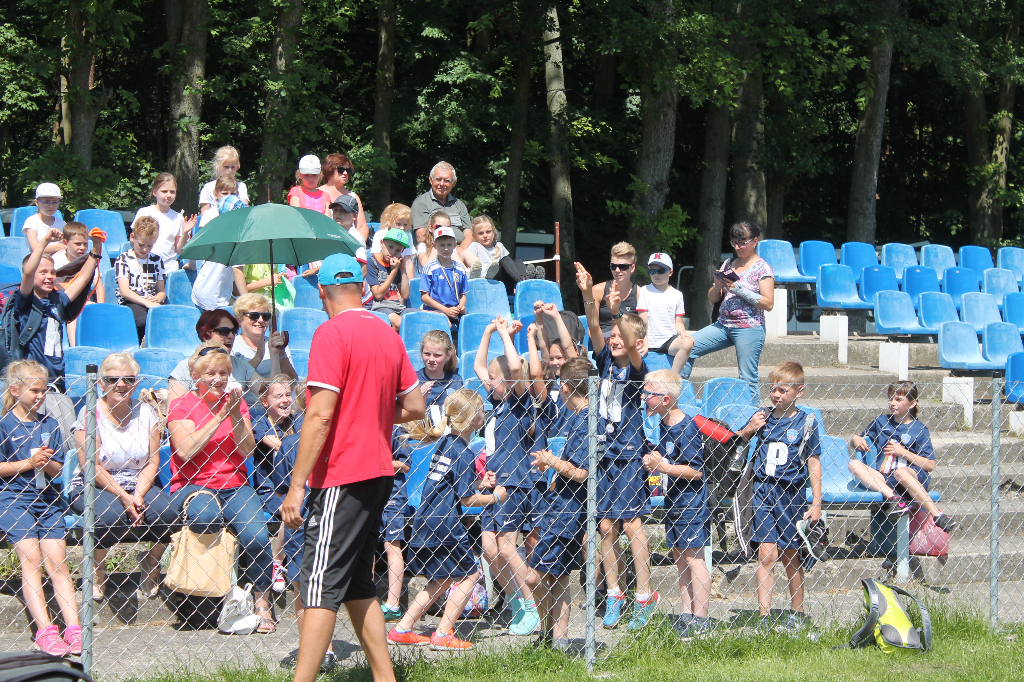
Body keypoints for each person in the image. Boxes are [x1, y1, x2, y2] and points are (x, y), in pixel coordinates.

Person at [280, 253, 424, 682]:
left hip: (342, 473)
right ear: (363, 288)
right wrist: (370, 413)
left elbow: (320, 415)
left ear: (321, 291)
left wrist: (296, 486)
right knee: (358, 583)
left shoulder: (330, 334)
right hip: (379, 471)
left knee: (319, 583)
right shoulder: (387, 333)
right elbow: (414, 406)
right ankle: (385, 678)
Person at [166, 343, 276, 633]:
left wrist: (235, 415)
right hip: (194, 485)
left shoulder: (236, 403)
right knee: (206, 518)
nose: (218, 379)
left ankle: (262, 602)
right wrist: (218, 416)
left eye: (224, 373)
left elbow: (247, 450)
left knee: (256, 535)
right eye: (211, 373)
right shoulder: (182, 404)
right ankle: (209, 598)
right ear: (195, 375)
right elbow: (186, 451)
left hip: (234, 483)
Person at [386, 389, 505, 650]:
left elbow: (452, 485)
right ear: (474, 419)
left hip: (427, 519)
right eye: (482, 411)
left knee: (440, 578)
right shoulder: (463, 452)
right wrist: (495, 497)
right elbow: (466, 500)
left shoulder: (446, 443)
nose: (484, 415)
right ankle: (443, 633)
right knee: (470, 574)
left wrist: (478, 483)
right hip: (446, 524)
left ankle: (402, 628)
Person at [577, 261, 658, 631]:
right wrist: (588, 295)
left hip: (627, 453)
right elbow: (593, 326)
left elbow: (627, 334)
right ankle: (614, 593)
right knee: (605, 526)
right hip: (603, 451)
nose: (613, 336)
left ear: (636, 342)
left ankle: (644, 594)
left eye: (619, 333)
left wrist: (618, 310)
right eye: (613, 332)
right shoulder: (606, 357)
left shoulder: (639, 366)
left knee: (630, 524)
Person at [69, 352, 176, 600]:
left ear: (136, 383)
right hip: (96, 482)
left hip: (138, 481)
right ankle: (97, 570)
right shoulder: (90, 413)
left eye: (128, 379)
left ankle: (151, 562)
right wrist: (124, 497)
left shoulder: (146, 412)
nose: (121, 384)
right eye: (113, 379)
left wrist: (137, 495)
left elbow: (153, 461)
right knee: (108, 515)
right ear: (101, 383)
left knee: (170, 511)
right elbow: (91, 466)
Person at [0, 360, 80, 656]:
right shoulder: (4, 425)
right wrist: (28, 464)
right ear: (15, 390)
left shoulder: (50, 425)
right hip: (13, 498)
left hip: (47, 500)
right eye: (34, 390)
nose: (40, 396)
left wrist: (49, 465)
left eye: (44, 391)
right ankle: (44, 630)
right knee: (31, 559)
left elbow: (60, 471)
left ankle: (74, 628)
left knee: (58, 562)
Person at [735, 361, 821, 631]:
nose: (776, 395)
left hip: (790, 494)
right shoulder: (762, 416)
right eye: (773, 389)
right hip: (762, 491)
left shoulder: (806, 422)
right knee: (766, 555)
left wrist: (816, 502)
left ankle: (798, 612)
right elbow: (736, 441)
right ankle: (764, 615)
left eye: (783, 390)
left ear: (799, 391)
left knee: (790, 556)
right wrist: (749, 428)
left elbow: (813, 463)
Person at [472, 316, 541, 636]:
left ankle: (531, 606)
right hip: (495, 482)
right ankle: (516, 603)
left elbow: (514, 370)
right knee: (489, 548)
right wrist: (488, 331)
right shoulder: (497, 403)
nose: (489, 383)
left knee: (506, 545)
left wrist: (505, 335)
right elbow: (478, 367)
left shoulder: (519, 401)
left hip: (515, 482)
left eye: (494, 380)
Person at [523, 357, 592, 650]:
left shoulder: (585, 420)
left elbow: (582, 472)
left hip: (566, 512)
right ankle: (557, 639)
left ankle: (548, 629)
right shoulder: (578, 417)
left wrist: (551, 460)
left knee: (532, 577)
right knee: (560, 577)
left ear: (563, 387)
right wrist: (551, 465)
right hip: (560, 506)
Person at [641, 369, 712, 637]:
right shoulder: (664, 424)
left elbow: (696, 471)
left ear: (666, 400)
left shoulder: (688, 427)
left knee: (695, 559)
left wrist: (664, 466)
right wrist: (654, 458)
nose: (644, 396)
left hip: (691, 503)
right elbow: (666, 454)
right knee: (680, 558)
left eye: (649, 393)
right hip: (674, 501)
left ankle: (702, 618)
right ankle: (687, 612)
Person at [849, 380, 957, 532]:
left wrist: (903, 452)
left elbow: (930, 465)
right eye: (891, 398)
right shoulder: (881, 422)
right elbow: (861, 438)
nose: (892, 403)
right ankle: (894, 499)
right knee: (853, 464)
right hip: (886, 480)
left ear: (912, 404)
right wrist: (855, 439)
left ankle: (937, 515)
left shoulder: (919, 429)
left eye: (898, 399)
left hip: (910, 478)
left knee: (901, 472)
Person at [682, 222, 775, 396]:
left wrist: (738, 288)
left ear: (755, 241)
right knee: (686, 348)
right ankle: (679, 398)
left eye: (742, 243)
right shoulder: (729, 263)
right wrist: (717, 286)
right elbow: (713, 298)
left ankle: (752, 418)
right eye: (734, 243)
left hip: (749, 327)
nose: (738, 247)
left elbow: (768, 303)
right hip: (723, 325)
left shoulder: (763, 268)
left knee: (747, 377)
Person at [12, 227, 103, 391]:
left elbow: (82, 278)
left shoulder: (58, 300)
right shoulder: (25, 301)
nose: (49, 276)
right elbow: (28, 273)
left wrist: (95, 248)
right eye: (43, 272)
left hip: (57, 377)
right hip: (32, 380)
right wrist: (45, 241)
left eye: (53, 272)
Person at [250, 374, 298, 592]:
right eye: (278, 396)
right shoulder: (259, 421)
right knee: (291, 513)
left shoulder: (297, 421)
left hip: (296, 486)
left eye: (288, 394)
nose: (285, 400)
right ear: (265, 401)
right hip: (270, 489)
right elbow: (281, 447)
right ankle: (277, 563)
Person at [168, 312, 257, 404]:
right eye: (224, 331)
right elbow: (173, 408)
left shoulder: (239, 364)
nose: (231, 336)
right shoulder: (186, 366)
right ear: (206, 335)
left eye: (233, 331)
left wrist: (272, 355)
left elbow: (265, 390)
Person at [192, 177, 246, 309]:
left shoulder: (236, 230)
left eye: (233, 193)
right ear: (215, 194)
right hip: (211, 292)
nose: (229, 197)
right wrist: (247, 302)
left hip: (219, 292)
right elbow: (237, 271)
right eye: (225, 193)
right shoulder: (211, 215)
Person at [637, 252, 693, 373]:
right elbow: (642, 321)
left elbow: (678, 322)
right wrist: (645, 343)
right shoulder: (644, 291)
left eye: (661, 271)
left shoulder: (677, 294)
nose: (656, 274)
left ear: (670, 272)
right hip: (650, 341)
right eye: (652, 271)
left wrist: (683, 333)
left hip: (669, 341)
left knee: (688, 342)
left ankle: (673, 377)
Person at [114, 216, 167, 342]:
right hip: (131, 301)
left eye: (149, 246)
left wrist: (158, 298)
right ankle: (136, 345)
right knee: (142, 321)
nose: (145, 249)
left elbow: (161, 291)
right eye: (141, 244)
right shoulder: (123, 259)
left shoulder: (157, 260)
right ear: (132, 237)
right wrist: (146, 302)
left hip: (151, 301)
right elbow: (124, 291)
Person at [131, 172, 197, 272]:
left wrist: (185, 232)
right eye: (164, 191)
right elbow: (134, 241)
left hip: (168, 268)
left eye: (172, 192)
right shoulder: (144, 212)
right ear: (154, 192)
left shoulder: (178, 218)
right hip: (144, 266)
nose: (169, 195)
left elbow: (180, 250)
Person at [52, 221, 104, 348]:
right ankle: (74, 347)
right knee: (74, 315)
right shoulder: (57, 259)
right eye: (77, 244)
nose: (82, 247)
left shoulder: (89, 260)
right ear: (65, 243)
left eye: (85, 244)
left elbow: (99, 287)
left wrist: (101, 307)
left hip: (81, 301)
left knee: (93, 308)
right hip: (62, 300)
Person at [379, 429, 411, 623]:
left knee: (391, 545)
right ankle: (367, 602)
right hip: (369, 491)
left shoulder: (399, 430)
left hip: (393, 494)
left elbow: (405, 465)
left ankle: (393, 604)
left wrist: (376, 464)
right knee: (366, 545)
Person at [231, 293, 297, 381]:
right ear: (239, 320)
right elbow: (233, 380)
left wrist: (281, 355)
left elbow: (292, 382)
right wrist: (258, 358)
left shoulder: (277, 344)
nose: (261, 320)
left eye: (265, 316)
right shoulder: (232, 346)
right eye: (254, 316)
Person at [420, 224, 468, 331]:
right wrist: (445, 310)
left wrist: (461, 306)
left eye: (449, 244)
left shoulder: (460, 268)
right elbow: (424, 297)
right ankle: (449, 348)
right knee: (446, 324)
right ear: (434, 245)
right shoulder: (429, 267)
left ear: (455, 245)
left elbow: (463, 295)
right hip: (435, 309)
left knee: (470, 324)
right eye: (441, 245)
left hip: (455, 309)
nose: (446, 248)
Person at [410, 161, 472, 243]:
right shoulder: (421, 203)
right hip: (433, 251)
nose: (442, 184)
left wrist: (461, 250)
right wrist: (445, 250)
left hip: (460, 251)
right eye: (438, 179)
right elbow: (421, 236)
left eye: (446, 180)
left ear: (454, 183)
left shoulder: (459, 205)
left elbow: (470, 235)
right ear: (431, 180)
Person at [365, 228, 412, 330]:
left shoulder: (397, 264)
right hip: (379, 307)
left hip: (397, 307)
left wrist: (402, 269)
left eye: (397, 250)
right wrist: (394, 271)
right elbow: (377, 295)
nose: (392, 252)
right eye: (390, 247)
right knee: (400, 323)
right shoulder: (371, 263)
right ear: (382, 243)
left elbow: (405, 294)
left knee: (425, 317)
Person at [591, 242, 640, 337]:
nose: (617, 270)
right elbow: (592, 327)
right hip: (602, 342)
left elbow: (643, 328)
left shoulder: (640, 293)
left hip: (628, 342)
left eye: (623, 267)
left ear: (632, 268)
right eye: (613, 266)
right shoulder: (598, 290)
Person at [319, 153, 370, 241]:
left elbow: (361, 226)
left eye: (348, 170)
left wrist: (358, 245)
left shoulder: (353, 196)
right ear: (329, 169)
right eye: (341, 169)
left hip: (349, 245)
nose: (345, 173)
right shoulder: (317, 194)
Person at [417, 329, 463, 410]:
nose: (431, 359)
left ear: (448, 356)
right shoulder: (414, 379)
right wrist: (417, 396)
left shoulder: (455, 380)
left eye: (437, 355)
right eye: (427, 354)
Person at [371, 203, 417, 281]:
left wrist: (411, 282)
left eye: (405, 225)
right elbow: (375, 258)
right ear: (389, 222)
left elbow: (408, 262)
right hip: (383, 272)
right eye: (398, 224)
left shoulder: (407, 235)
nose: (402, 228)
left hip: (400, 271)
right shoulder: (381, 234)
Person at [198, 145, 249, 210]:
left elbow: (244, 211)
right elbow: (204, 215)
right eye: (226, 167)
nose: (230, 171)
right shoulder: (208, 188)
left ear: (237, 168)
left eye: (233, 167)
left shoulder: (241, 187)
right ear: (218, 167)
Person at [22, 183, 66, 255]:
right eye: (46, 202)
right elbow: (36, 249)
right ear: (37, 202)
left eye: (55, 202)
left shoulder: (62, 224)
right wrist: (59, 247)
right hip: (39, 262)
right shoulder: (31, 222)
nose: (51, 206)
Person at [462, 215, 510, 279]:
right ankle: (485, 272)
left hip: (499, 278)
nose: (485, 235)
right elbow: (471, 265)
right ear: (474, 236)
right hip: (481, 278)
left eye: (488, 232)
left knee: (517, 261)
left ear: (494, 232)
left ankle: (523, 279)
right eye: (480, 233)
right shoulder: (475, 246)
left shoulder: (499, 246)